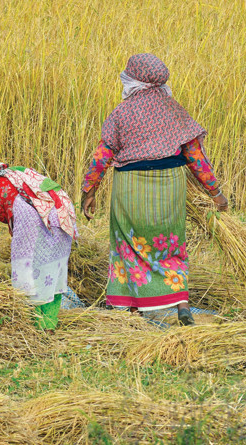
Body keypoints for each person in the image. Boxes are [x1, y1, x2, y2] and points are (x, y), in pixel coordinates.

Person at [80, 53, 227, 326]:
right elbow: (196, 156)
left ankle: (134, 311)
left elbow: (103, 155)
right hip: (169, 186)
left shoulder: (121, 113)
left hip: (130, 188)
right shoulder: (174, 110)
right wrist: (215, 193)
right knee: (170, 244)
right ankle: (182, 304)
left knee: (128, 245)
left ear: (132, 79)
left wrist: (89, 190)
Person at [0, 161, 78, 332]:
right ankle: (48, 327)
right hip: (62, 208)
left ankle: (32, 328)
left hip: (32, 214)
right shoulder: (19, 175)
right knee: (52, 272)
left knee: (28, 275)